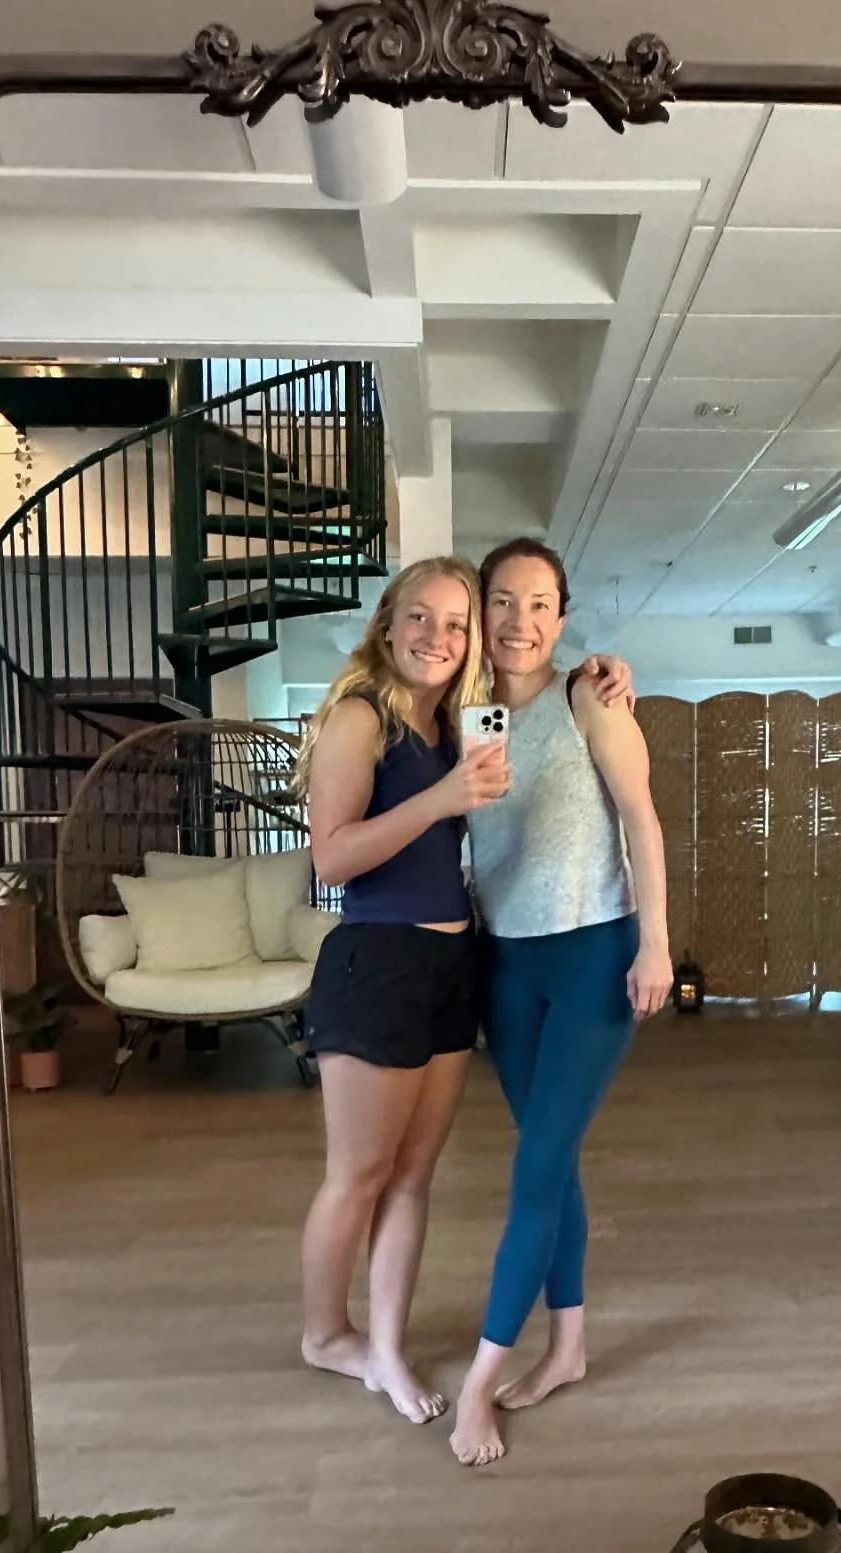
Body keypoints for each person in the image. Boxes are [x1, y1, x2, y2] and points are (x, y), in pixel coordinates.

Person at [296, 554, 635, 1426]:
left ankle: (385, 1347)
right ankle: (325, 1335)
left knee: (413, 1177)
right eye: (420, 616)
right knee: (358, 1175)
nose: (437, 636)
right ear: (387, 622)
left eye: (455, 623)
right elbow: (331, 859)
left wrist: (603, 668)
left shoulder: (457, 720)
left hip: (455, 964)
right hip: (377, 962)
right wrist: (442, 798)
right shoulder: (361, 716)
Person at [449, 538, 673, 1467]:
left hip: (592, 959)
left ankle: (479, 1381)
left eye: (540, 603)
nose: (521, 620)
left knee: (537, 1167)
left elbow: (642, 821)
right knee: (555, 1156)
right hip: (507, 964)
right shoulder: (470, 711)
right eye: (504, 600)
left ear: (563, 616)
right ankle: (568, 1346)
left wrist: (656, 943)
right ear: (482, 610)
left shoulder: (591, 696)